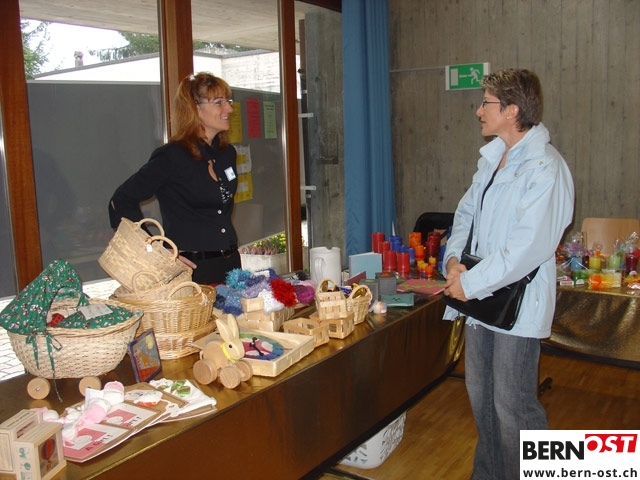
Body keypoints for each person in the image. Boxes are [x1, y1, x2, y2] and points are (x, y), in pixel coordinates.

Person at [441, 69, 574, 480]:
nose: (478, 111)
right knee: (482, 398)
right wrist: (453, 260)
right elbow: (465, 214)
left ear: (512, 110)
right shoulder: (492, 159)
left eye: (487, 103)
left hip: (516, 302)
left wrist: (470, 283)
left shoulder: (546, 167)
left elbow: (527, 247)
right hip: (480, 296)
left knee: (513, 404)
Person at [109, 72, 241, 285]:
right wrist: (154, 250)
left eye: (228, 101)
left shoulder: (227, 154)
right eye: (219, 102)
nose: (229, 109)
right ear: (195, 109)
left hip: (231, 266)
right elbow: (121, 200)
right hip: (190, 272)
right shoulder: (172, 156)